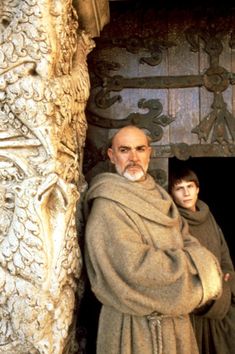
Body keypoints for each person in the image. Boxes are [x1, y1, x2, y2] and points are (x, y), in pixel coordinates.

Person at [83, 125, 223, 354]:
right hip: (133, 329)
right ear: (112, 155)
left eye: (140, 149)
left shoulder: (160, 195)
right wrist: (199, 271)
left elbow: (186, 239)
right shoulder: (107, 205)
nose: (133, 158)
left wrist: (193, 261)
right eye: (124, 150)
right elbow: (133, 268)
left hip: (177, 326)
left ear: (150, 153)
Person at [169, 166, 235, 354]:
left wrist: (227, 284)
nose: (186, 193)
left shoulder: (208, 215)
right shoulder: (174, 222)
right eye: (179, 188)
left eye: (190, 186)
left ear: (197, 188)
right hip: (197, 304)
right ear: (172, 193)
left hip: (222, 296)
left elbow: (224, 255)